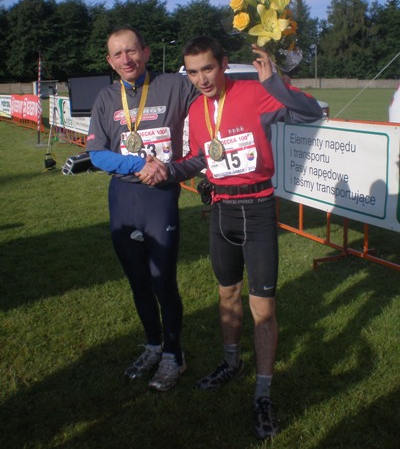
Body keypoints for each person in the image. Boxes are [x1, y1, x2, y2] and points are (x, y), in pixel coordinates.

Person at [157, 36, 323, 439]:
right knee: (227, 294)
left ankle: (263, 394)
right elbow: (203, 156)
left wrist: (275, 84)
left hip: (258, 210)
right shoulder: (196, 109)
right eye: (193, 72)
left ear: (224, 64)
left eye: (208, 69)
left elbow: (311, 112)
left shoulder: (254, 93)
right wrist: (170, 170)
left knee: (263, 308)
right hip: (221, 212)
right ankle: (232, 363)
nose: (202, 79)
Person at [86, 27, 198, 392]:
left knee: (162, 280)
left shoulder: (175, 85)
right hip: (123, 197)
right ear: (110, 61)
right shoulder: (106, 97)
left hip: (159, 196)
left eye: (132, 51)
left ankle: (174, 355)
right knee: (138, 280)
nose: (126, 59)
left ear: (146, 52)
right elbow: (97, 154)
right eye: (118, 54)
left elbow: (215, 98)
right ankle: (153, 345)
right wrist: (138, 165)